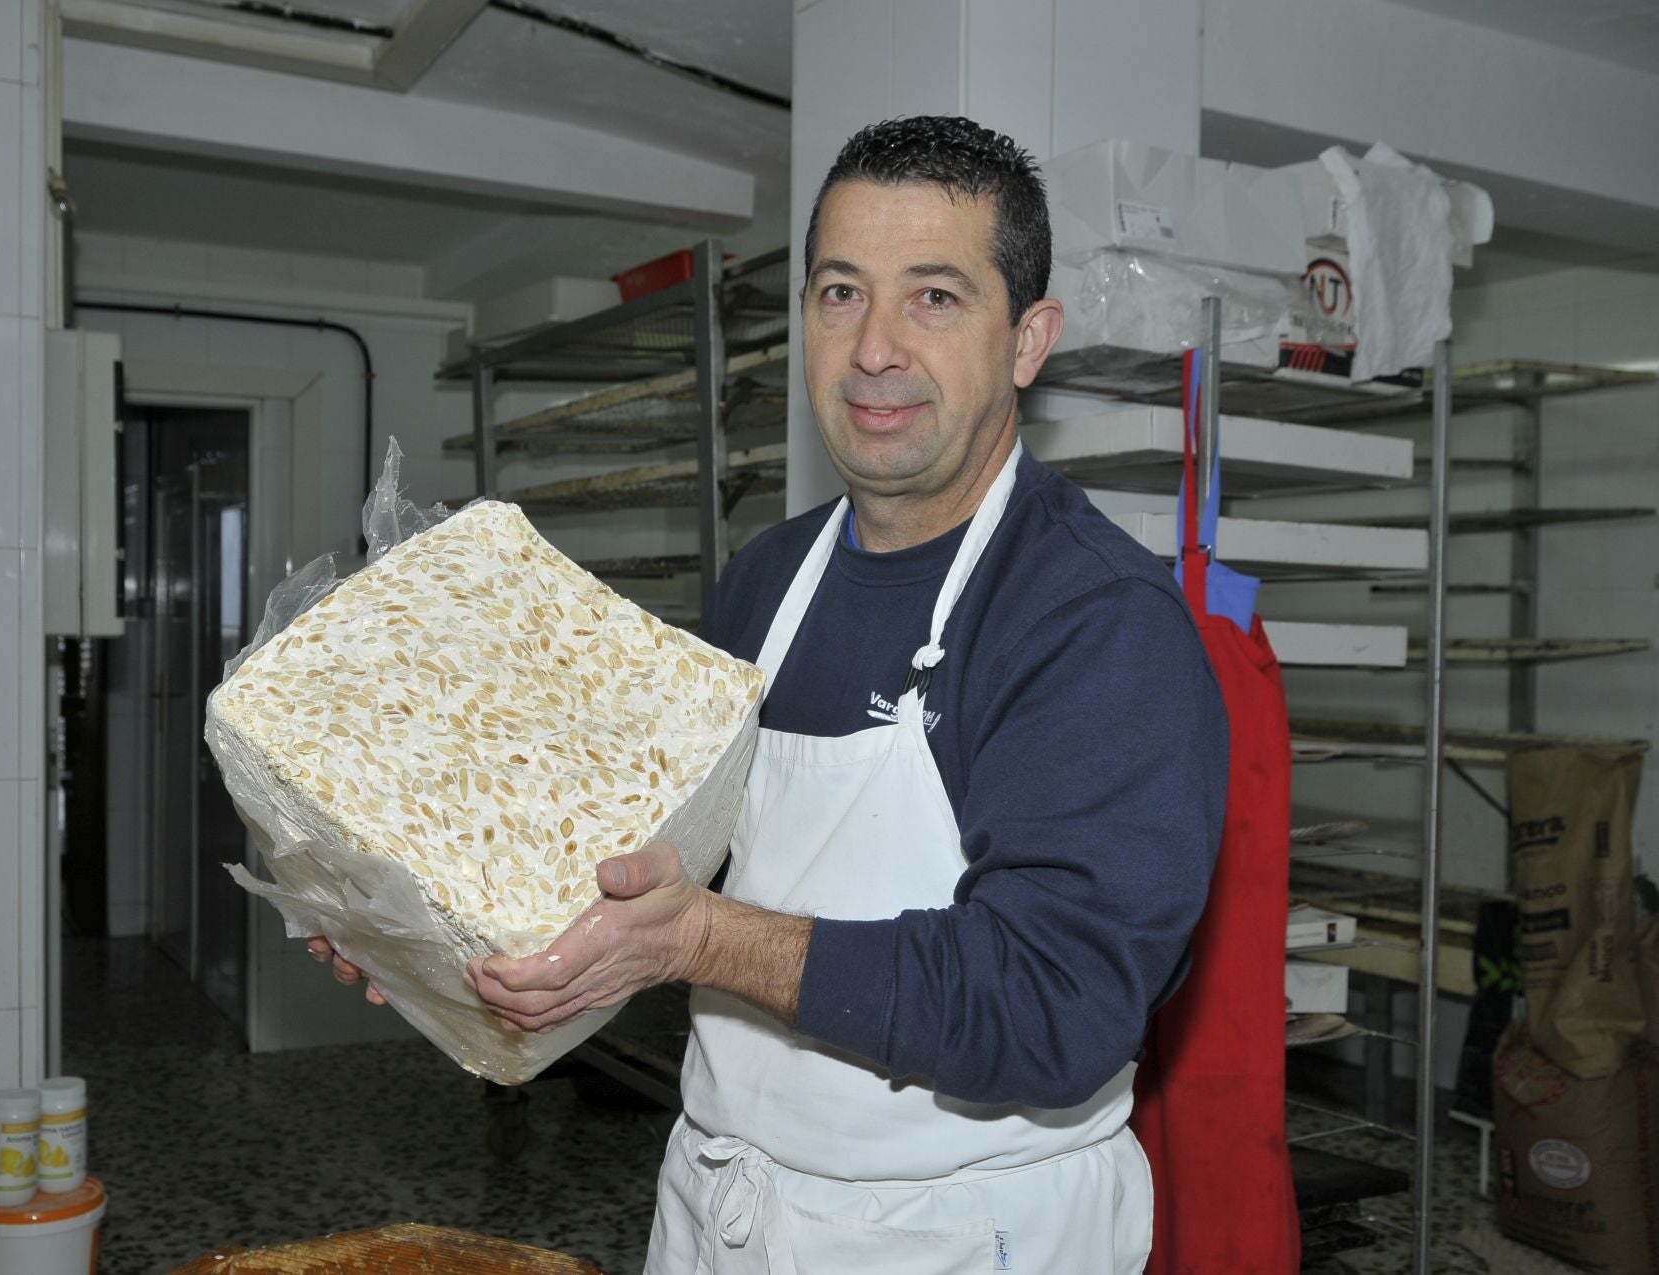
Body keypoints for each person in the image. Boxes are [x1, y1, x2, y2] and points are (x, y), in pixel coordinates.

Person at [314, 115, 1228, 1274]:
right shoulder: (765, 582)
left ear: (1028, 340)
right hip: (724, 1204)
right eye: (841, 292)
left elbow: (1058, 1004)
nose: (876, 349)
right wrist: (427, 928)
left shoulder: (1096, 622)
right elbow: (635, 874)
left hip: (963, 1231)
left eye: (935, 297)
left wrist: (698, 936)